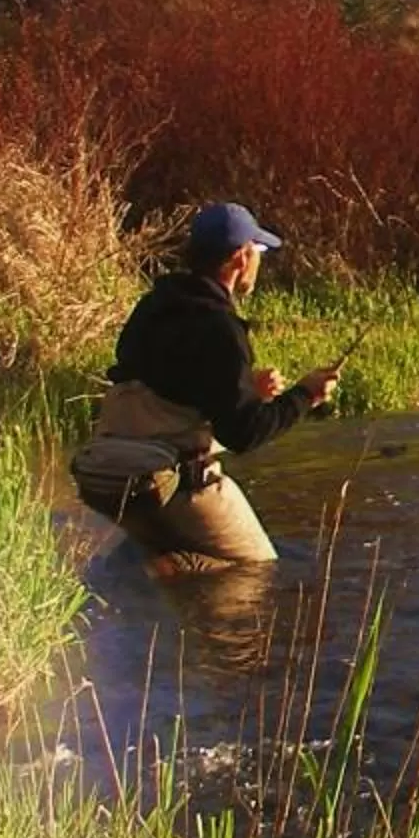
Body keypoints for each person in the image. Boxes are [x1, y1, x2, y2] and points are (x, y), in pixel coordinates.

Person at [73, 201, 340, 574]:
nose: (258, 261)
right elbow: (244, 434)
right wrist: (305, 394)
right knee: (256, 573)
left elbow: (169, 385)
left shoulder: (152, 307)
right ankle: (170, 573)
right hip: (166, 481)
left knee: (156, 558)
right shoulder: (220, 328)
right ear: (239, 258)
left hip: (107, 475)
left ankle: (148, 571)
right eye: (257, 251)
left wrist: (246, 388)